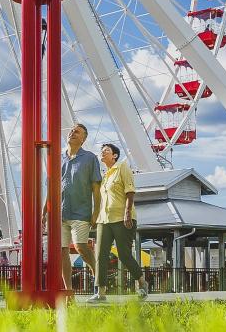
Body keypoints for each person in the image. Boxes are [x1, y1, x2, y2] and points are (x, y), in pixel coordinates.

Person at [43, 123, 102, 290]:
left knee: (80, 247)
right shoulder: (57, 158)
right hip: (60, 212)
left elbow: (96, 187)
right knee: (62, 252)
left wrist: (96, 211)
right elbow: (51, 188)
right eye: (71, 131)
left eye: (77, 132)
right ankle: (68, 290)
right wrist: (44, 211)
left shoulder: (90, 158)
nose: (73, 133)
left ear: (83, 139)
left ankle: (98, 275)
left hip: (81, 211)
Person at [88, 143, 149, 302]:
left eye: (106, 150)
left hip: (122, 218)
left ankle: (142, 282)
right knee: (100, 255)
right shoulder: (104, 175)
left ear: (114, 155)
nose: (102, 153)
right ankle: (100, 293)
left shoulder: (122, 167)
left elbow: (130, 191)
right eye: (101, 151)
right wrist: (95, 216)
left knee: (124, 254)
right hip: (104, 219)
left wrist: (127, 213)